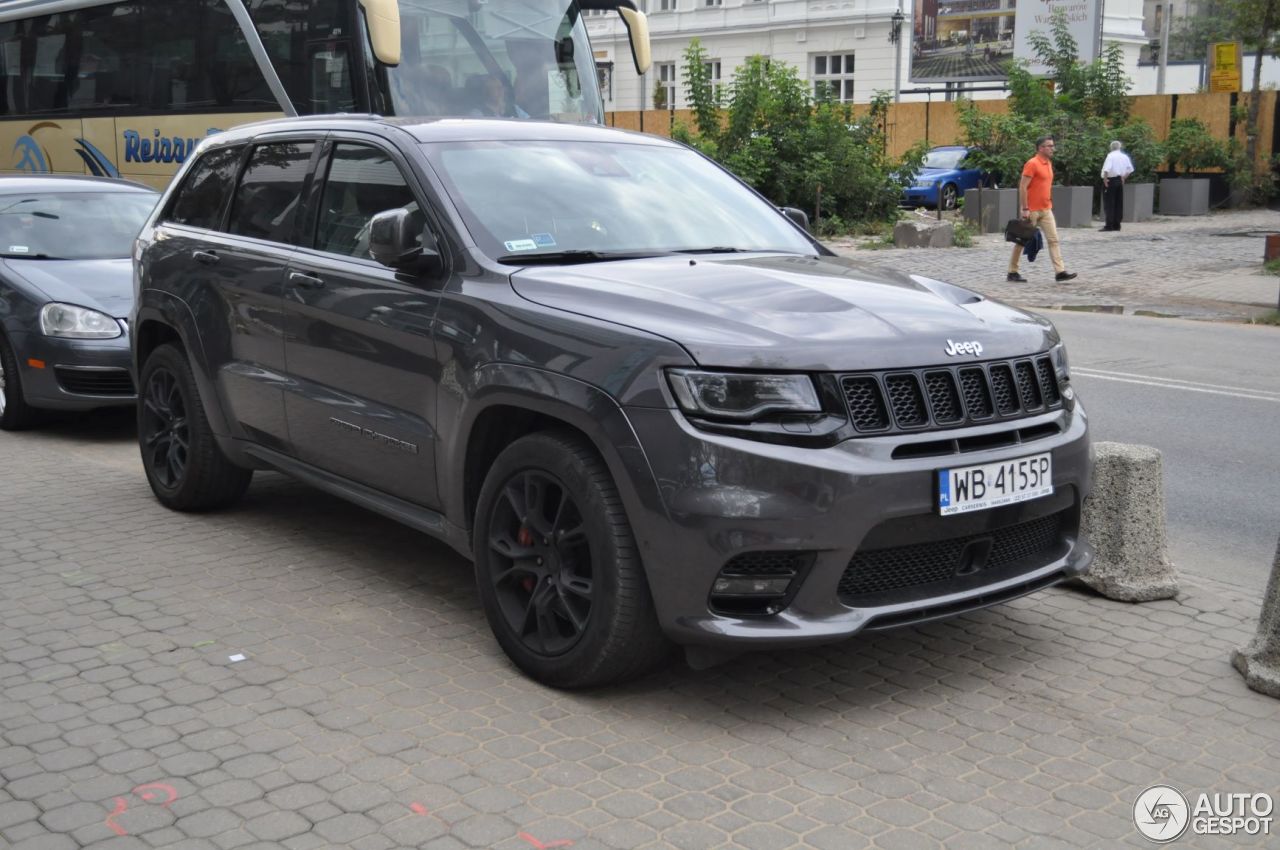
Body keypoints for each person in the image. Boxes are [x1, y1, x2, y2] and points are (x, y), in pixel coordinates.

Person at [1008, 135, 1077, 283]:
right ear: (1040, 148)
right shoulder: (1032, 163)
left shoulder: (1048, 163)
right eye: (1050, 146)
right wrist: (1025, 208)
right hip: (1031, 209)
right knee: (1022, 241)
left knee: (1054, 240)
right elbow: (1023, 186)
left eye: (1053, 145)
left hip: (1046, 209)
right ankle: (1012, 272)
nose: (1053, 148)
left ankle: (1060, 272)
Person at [1100, 140, 1135, 232]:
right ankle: (1117, 225)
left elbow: (1107, 169)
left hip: (1111, 180)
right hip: (1119, 180)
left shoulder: (1110, 156)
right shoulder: (1124, 156)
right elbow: (1130, 169)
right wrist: (1123, 177)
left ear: (1111, 147)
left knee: (1109, 203)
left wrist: (1105, 180)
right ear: (1120, 147)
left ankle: (1109, 225)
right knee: (1118, 203)